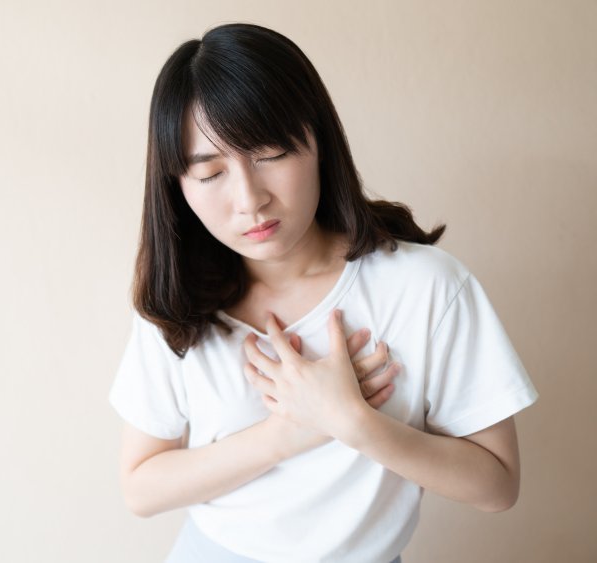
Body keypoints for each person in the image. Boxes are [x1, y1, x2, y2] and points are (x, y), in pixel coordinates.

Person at [107, 22, 539, 563]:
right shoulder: (177, 303)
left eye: (267, 154)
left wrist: (352, 421)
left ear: (318, 142)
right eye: (210, 173)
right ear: (178, 188)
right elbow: (141, 488)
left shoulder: (425, 287)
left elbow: (497, 486)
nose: (249, 199)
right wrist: (287, 431)